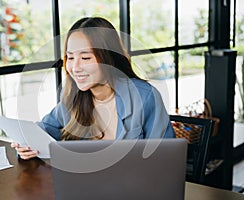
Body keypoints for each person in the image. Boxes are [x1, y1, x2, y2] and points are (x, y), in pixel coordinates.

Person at [11, 17, 175, 160]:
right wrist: (26, 145)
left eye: (85, 58)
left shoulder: (144, 96)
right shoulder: (72, 98)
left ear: (107, 58)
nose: (75, 67)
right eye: (70, 57)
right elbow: (43, 130)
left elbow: (167, 158)